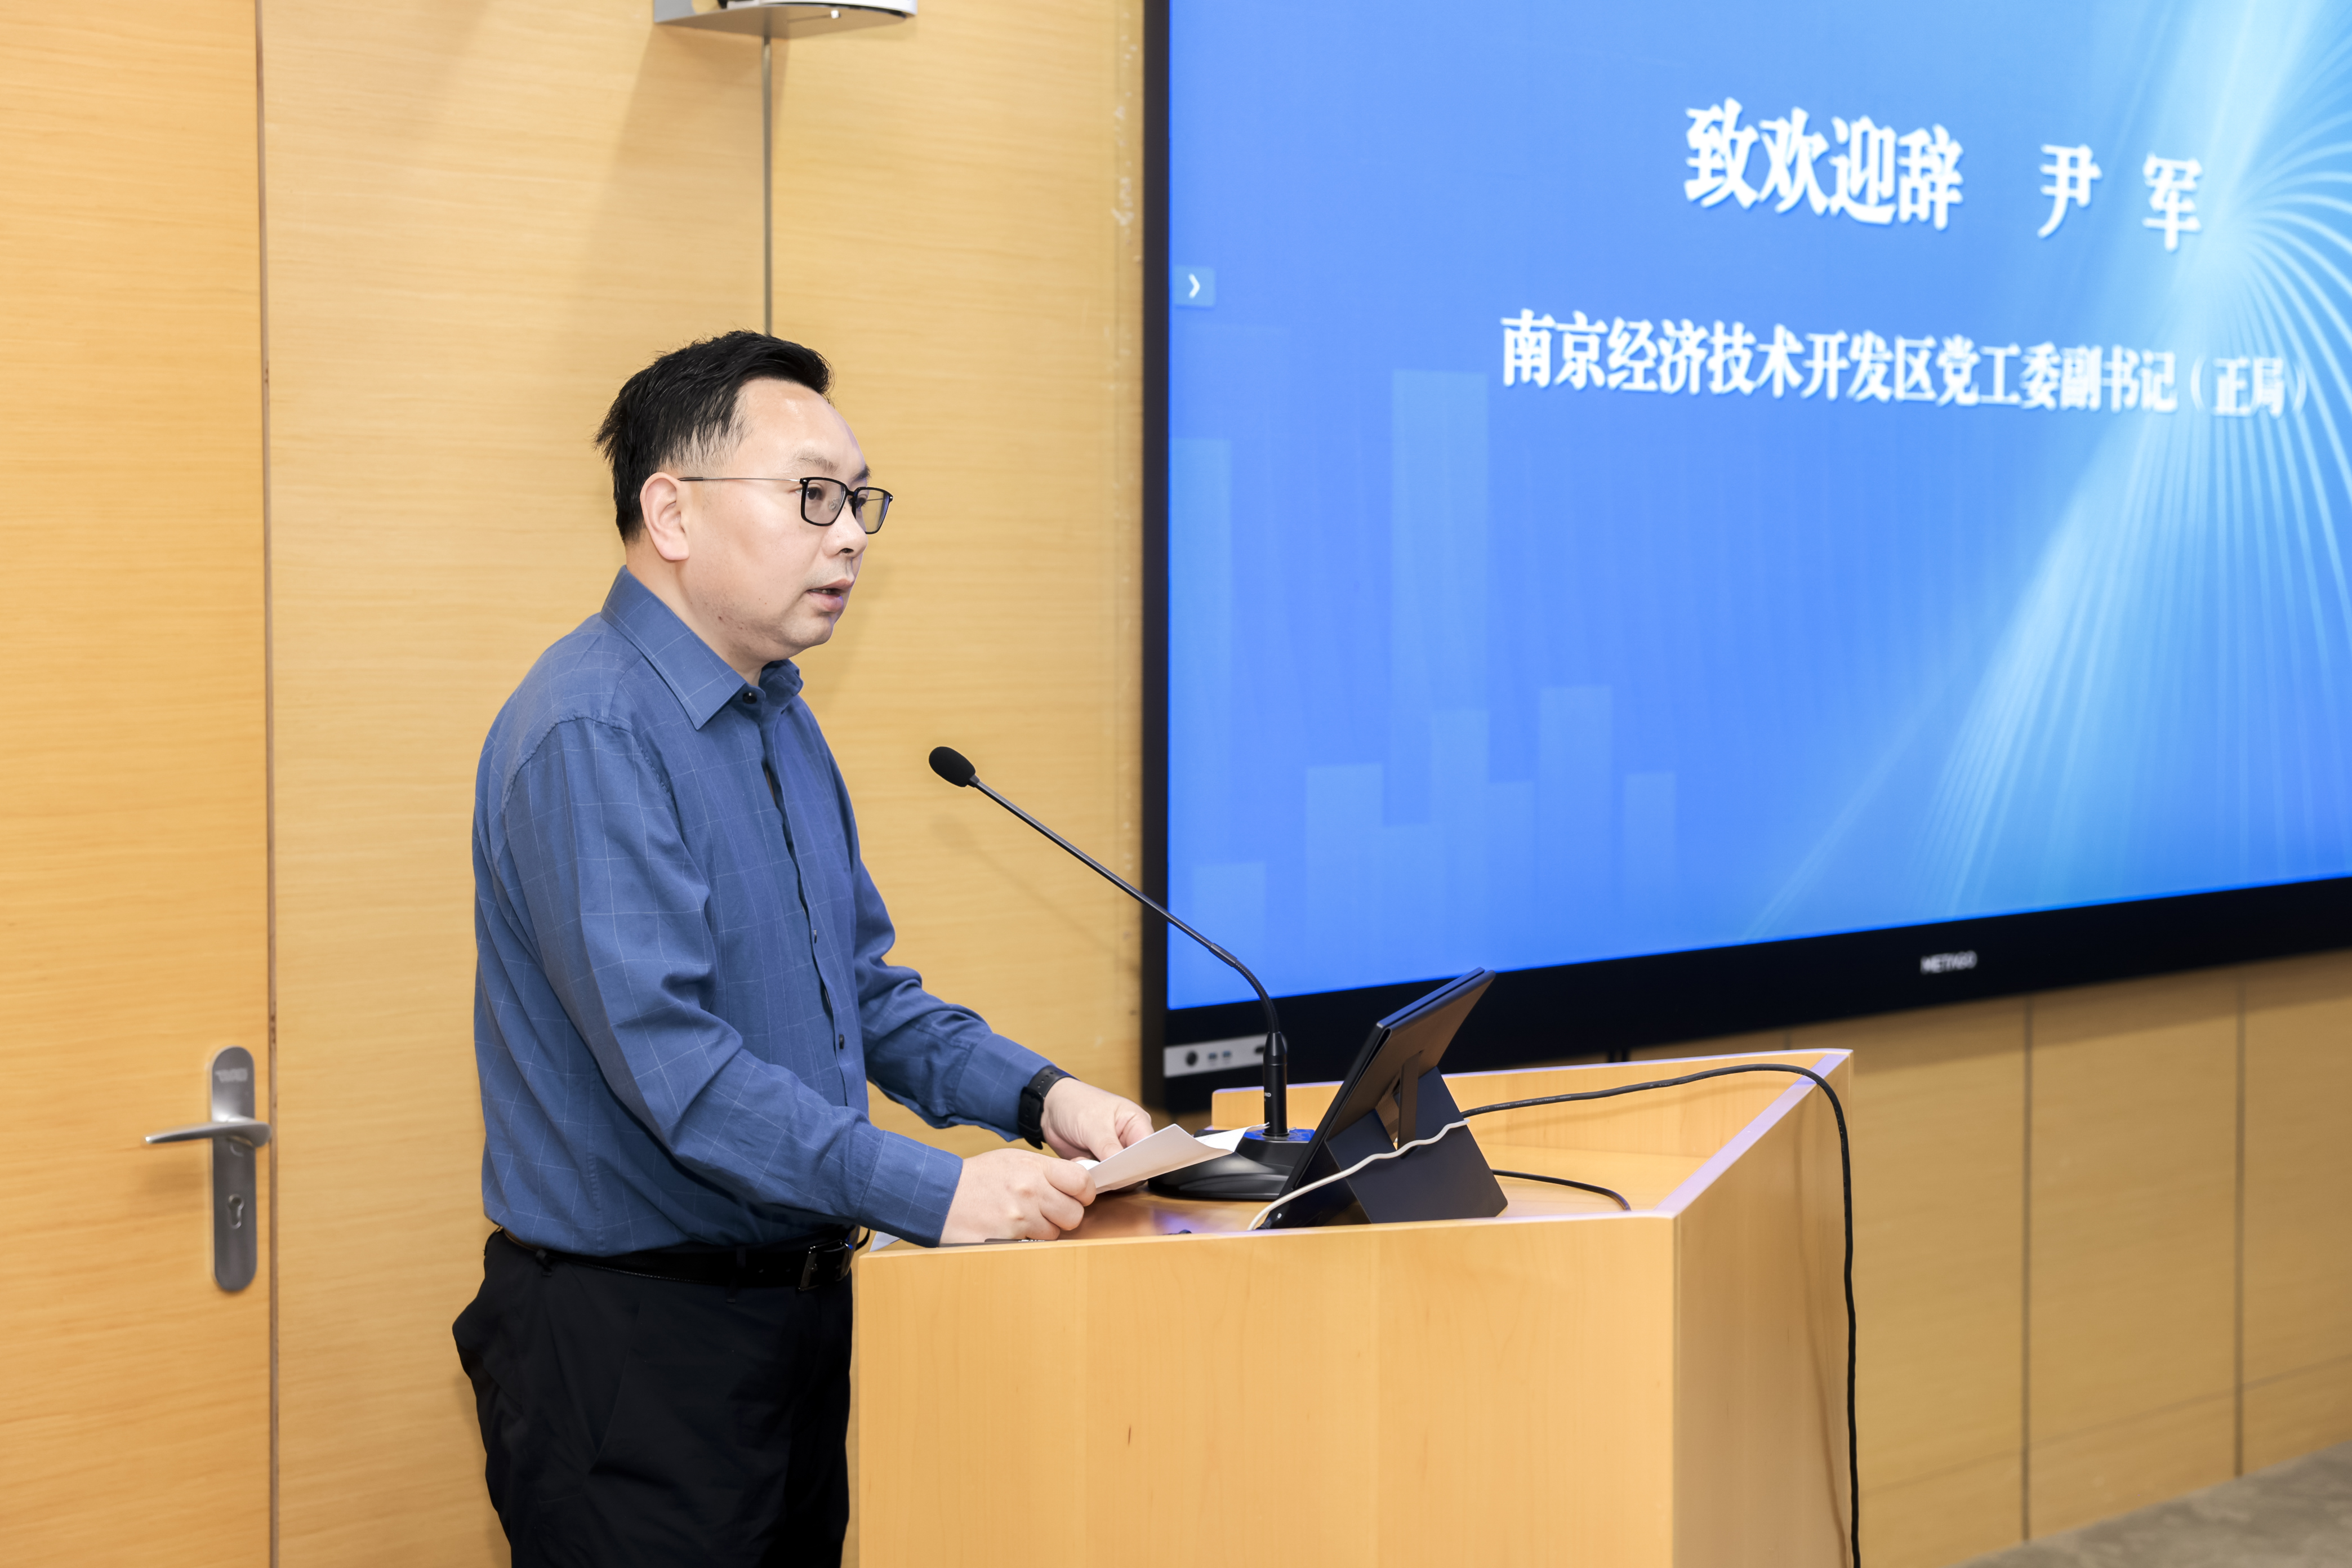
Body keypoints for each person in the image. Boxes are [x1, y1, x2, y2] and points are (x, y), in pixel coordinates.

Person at [453, 331, 1151, 1566]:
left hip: (794, 1321)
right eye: (813, 497)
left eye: (859, 501)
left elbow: (860, 996)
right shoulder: (591, 730)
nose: (850, 538)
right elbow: (684, 1078)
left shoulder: (776, 715)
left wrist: (1044, 1098)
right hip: (638, 1353)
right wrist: (939, 1192)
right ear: (672, 512)